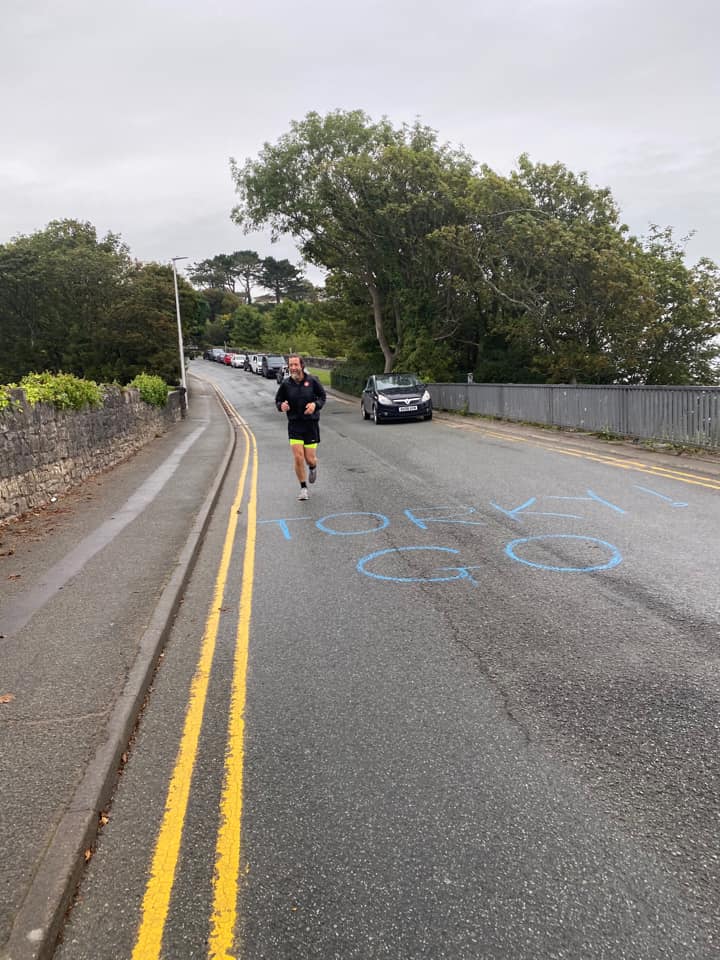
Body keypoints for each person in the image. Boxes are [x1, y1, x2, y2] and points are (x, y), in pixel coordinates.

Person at [275, 354, 327, 500]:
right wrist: (281, 406)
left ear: (301, 366)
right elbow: (278, 400)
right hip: (294, 425)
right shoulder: (286, 384)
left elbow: (322, 397)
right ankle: (303, 488)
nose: (293, 368)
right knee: (298, 457)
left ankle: (312, 467)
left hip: (310, 424)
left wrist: (315, 405)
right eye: (290, 365)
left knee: (309, 459)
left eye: (295, 365)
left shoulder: (312, 381)